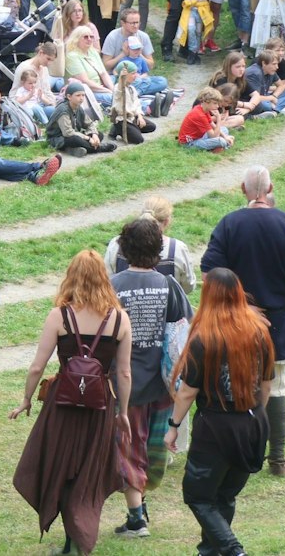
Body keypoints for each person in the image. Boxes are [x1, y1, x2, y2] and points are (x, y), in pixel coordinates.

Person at [200, 167, 285, 477]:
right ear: (271, 188)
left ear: (243, 188)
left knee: (231, 382)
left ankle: (232, 452)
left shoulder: (229, 223)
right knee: (276, 387)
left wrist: (236, 287)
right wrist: (283, 277)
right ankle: (276, 459)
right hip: (275, 321)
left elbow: (208, 275)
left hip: (235, 317)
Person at [12, 250, 130, 556]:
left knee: (59, 467)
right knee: (88, 472)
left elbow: (37, 367)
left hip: (62, 406)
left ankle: (72, 542)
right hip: (100, 407)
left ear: (71, 277)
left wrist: (26, 399)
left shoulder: (59, 316)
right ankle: (75, 541)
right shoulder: (119, 319)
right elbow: (124, 372)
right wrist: (124, 412)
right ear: (104, 277)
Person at [165, 268, 275, 556]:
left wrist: (173, 424)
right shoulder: (259, 331)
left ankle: (232, 550)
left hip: (216, 428)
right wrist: (254, 417)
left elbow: (188, 391)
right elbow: (266, 385)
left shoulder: (204, 337)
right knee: (224, 495)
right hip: (252, 422)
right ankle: (209, 551)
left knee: (198, 496)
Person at [111, 217, 191, 539]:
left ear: (124, 248)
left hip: (125, 386)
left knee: (129, 450)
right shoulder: (168, 285)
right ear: (158, 250)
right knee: (153, 453)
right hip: (161, 386)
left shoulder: (113, 286)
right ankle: (138, 510)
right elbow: (186, 329)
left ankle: (136, 514)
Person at [104, 197, 197, 293]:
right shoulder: (177, 249)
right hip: (165, 307)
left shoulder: (117, 244)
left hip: (121, 306)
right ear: (167, 222)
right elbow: (188, 286)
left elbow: (107, 279)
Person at [49, 82, 115, 157]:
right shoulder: (63, 110)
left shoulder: (78, 107)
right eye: (78, 95)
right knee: (75, 139)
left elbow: (89, 123)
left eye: (83, 95)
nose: (81, 98)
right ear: (69, 96)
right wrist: (88, 139)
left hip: (74, 134)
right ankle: (99, 148)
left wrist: (94, 134)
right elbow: (68, 132)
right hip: (59, 138)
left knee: (99, 134)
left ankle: (75, 149)